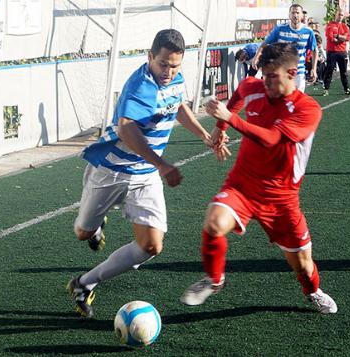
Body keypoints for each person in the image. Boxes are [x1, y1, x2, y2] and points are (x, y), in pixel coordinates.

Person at [66, 29, 229, 318]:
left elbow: (177, 106)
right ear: (150, 56)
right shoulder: (140, 86)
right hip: (112, 170)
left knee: (152, 246)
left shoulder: (175, 78)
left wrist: (205, 134)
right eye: (163, 64)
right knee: (83, 233)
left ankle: (84, 283)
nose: (168, 71)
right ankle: (98, 222)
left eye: (175, 65)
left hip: (145, 176)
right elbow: (127, 129)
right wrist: (163, 165)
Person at [180, 42, 338, 314]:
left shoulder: (308, 109)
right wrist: (220, 128)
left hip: (282, 198)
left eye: (272, 77)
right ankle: (215, 280)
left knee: (302, 264)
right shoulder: (256, 88)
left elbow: (273, 139)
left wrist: (230, 118)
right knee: (214, 222)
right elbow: (241, 92)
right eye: (263, 75)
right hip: (243, 185)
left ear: (292, 73)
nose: (265, 82)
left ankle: (313, 291)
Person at [251, 3, 317, 92]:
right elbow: (265, 44)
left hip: (299, 71)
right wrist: (256, 57)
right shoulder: (280, 29)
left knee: (297, 101)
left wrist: (314, 68)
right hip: (281, 71)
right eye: (293, 13)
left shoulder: (308, 31)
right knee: (280, 100)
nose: (295, 15)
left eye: (297, 13)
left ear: (302, 15)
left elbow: (314, 50)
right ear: (289, 15)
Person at [322, 10, 350, 96]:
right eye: (339, 14)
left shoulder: (345, 26)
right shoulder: (330, 25)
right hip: (332, 52)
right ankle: (326, 89)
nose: (340, 16)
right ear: (335, 15)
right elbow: (332, 38)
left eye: (342, 15)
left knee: (344, 72)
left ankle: (346, 88)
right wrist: (341, 38)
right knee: (329, 71)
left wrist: (338, 36)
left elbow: (347, 38)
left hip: (342, 52)